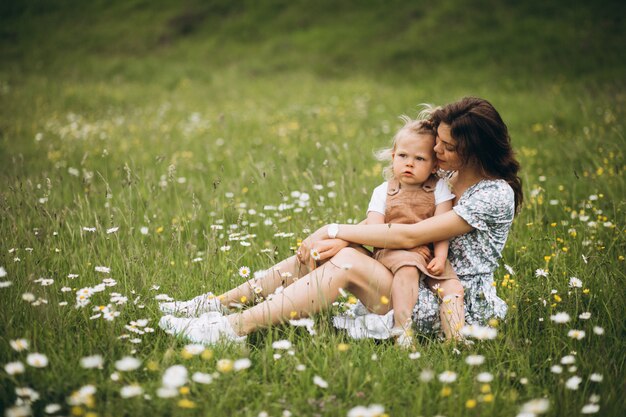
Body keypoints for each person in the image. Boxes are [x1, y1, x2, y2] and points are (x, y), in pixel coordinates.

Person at [158, 97, 523, 346]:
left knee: (344, 258)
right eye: (438, 143)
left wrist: (335, 230)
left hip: (446, 300)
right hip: (408, 274)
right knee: (328, 252)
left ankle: (230, 331)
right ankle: (217, 305)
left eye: (446, 146)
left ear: (473, 149)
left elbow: (411, 232)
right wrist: (341, 240)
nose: (436, 151)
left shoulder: (493, 194)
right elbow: (395, 227)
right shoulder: (446, 177)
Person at [362, 115, 460, 345]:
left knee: (453, 287)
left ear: (434, 165)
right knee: (407, 268)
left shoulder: (439, 189)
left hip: (426, 253)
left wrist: (440, 256)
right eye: (403, 156)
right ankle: (402, 330)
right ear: (393, 156)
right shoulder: (383, 191)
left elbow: (441, 228)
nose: (409, 163)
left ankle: (455, 339)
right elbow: (375, 230)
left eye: (419, 158)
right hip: (393, 251)